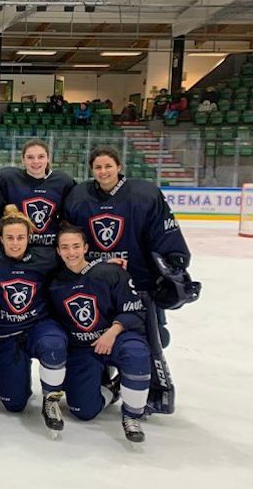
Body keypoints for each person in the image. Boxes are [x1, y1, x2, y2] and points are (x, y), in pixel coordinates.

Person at [63, 145, 196, 416]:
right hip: (98, 285)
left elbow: (164, 233)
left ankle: (153, 391)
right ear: (91, 170)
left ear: (119, 167)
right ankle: (103, 381)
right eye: (98, 167)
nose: (103, 171)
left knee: (149, 338)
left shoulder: (144, 194)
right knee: (96, 334)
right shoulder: (79, 197)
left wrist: (174, 264)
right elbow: (71, 241)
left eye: (108, 166)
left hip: (139, 284)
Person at [0, 207, 68, 436]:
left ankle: (51, 400)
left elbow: (76, 258)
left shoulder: (46, 257)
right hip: (5, 336)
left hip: (38, 328)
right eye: (10, 238)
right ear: (1, 238)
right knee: (14, 404)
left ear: (29, 238)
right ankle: (4, 381)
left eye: (21, 238)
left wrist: (105, 264)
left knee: (54, 345)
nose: (15, 243)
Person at [48, 223, 152, 443]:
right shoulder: (55, 284)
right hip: (83, 349)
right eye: (65, 247)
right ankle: (112, 389)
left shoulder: (110, 272)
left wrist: (112, 332)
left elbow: (134, 310)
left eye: (76, 246)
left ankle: (132, 416)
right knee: (81, 410)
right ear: (58, 251)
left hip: (115, 338)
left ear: (86, 248)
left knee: (136, 352)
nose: (71, 252)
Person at [0, 139, 75, 247]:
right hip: (13, 248)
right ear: (23, 159)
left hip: (49, 250)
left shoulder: (63, 181)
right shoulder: (8, 177)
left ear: (48, 158)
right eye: (30, 157)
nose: (36, 161)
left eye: (41, 157)